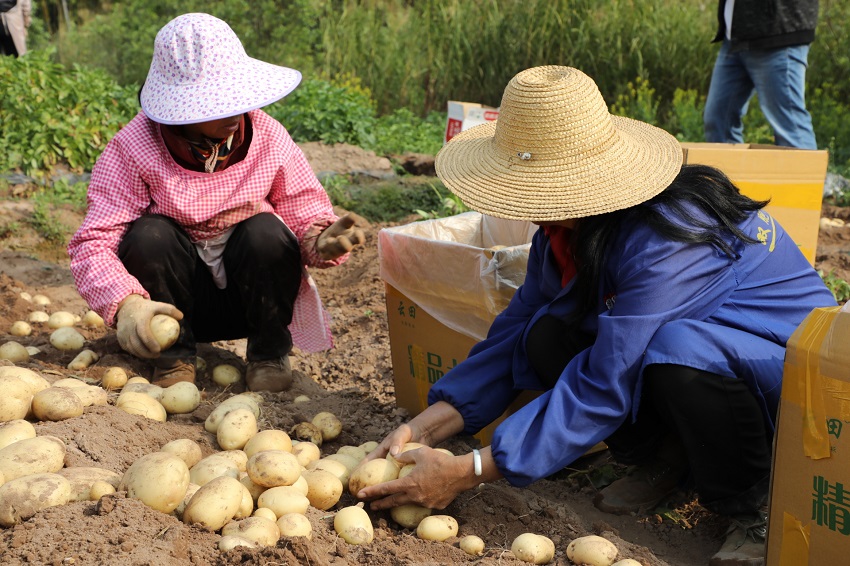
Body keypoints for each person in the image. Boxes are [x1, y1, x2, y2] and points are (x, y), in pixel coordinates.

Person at [357, 66, 837, 565]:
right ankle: (662, 460)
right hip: (697, 355)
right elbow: (514, 334)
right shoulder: (565, 233)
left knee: (679, 351)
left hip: (790, 381)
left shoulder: (669, 238)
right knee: (546, 334)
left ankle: (751, 502)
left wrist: (470, 469)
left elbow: (606, 379)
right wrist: (427, 426)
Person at [67, 13, 366, 392]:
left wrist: (320, 240)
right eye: (219, 103)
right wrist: (125, 303)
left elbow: (304, 210)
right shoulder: (134, 147)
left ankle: (268, 354)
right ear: (181, 111)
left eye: (238, 98)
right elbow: (93, 243)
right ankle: (174, 358)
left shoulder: (268, 137)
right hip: (172, 307)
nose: (236, 112)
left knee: (266, 232)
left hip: (252, 300)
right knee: (150, 235)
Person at [703, 0, 819, 149]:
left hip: (779, 34)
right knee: (718, 120)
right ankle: (727, 172)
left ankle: (806, 173)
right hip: (735, 37)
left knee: (790, 127)